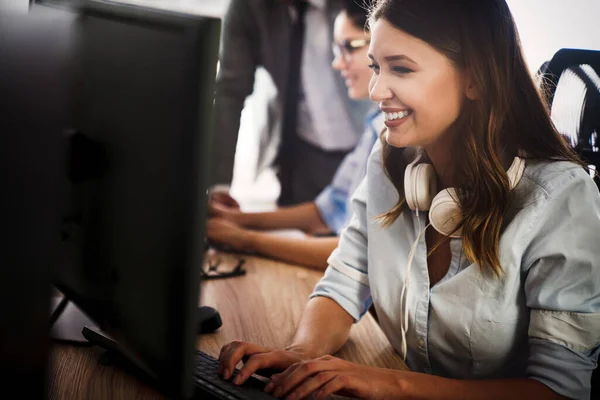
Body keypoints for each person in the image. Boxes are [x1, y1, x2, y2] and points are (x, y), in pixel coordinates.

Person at [216, 1, 600, 399]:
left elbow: (559, 390)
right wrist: (301, 353)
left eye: (401, 68)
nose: (375, 89)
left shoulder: (560, 201)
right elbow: (345, 280)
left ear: (476, 79)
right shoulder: (388, 161)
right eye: (376, 66)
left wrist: (391, 383)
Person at [207, 1, 382, 270]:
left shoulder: (389, 138)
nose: (337, 63)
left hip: (360, 139)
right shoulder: (374, 131)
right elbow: (327, 211)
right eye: (337, 49)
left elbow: (359, 253)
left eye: (349, 47)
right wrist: (235, 219)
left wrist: (246, 238)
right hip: (302, 154)